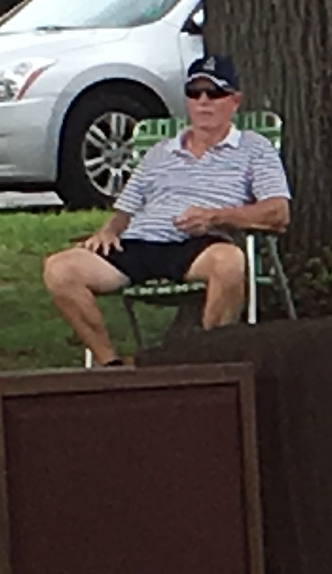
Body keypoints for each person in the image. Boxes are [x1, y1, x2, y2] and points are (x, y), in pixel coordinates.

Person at [40, 54, 289, 360]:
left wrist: (214, 217)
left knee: (229, 262)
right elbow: (125, 210)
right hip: (139, 242)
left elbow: (278, 212)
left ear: (234, 100)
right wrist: (108, 231)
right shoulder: (160, 151)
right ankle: (111, 366)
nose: (203, 101)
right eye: (194, 93)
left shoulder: (254, 147)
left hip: (199, 245)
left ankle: (207, 363)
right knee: (60, 269)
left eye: (214, 93)